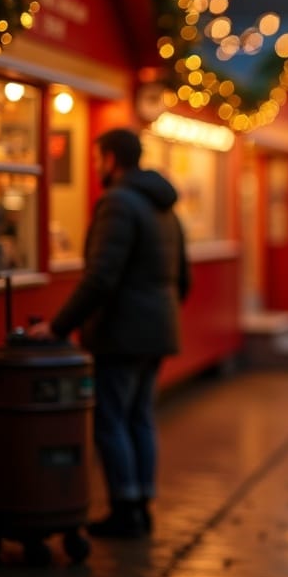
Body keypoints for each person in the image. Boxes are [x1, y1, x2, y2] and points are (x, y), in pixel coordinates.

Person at [28, 127, 190, 539]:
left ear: (112, 159)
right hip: (158, 329)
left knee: (111, 417)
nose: (98, 166)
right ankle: (141, 504)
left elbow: (100, 277)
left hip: (122, 332)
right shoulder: (165, 208)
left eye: (99, 158)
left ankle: (123, 508)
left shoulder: (117, 201)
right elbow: (182, 278)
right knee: (139, 416)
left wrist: (58, 325)